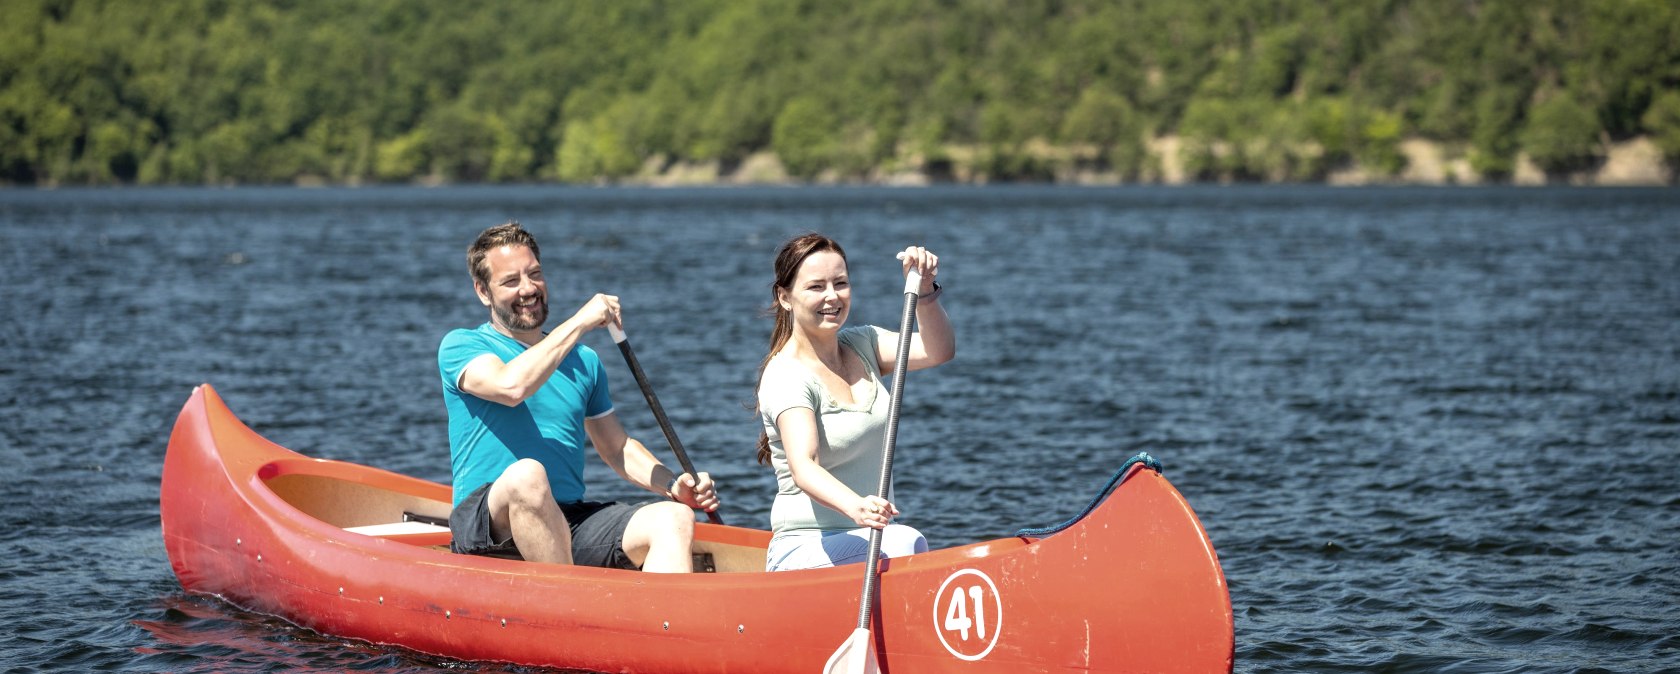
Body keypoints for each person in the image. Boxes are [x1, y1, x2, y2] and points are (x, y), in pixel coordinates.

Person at [439, 222, 719, 572]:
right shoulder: (462, 345)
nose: (529, 288)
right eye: (511, 281)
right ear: (483, 292)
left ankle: (659, 611)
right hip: (488, 523)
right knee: (528, 475)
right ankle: (570, 596)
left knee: (674, 518)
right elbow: (511, 387)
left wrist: (672, 485)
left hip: (566, 519)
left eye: (535, 274)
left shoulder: (584, 361)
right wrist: (580, 322)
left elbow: (616, 447)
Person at [754, 233, 955, 571]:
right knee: (906, 541)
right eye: (816, 287)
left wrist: (924, 292)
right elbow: (804, 466)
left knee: (902, 540)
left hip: (871, 537)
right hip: (804, 547)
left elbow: (938, 350)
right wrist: (855, 507)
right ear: (784, 297)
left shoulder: (864, 344)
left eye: (841, 283)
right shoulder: (787, 374)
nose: (832, 296)